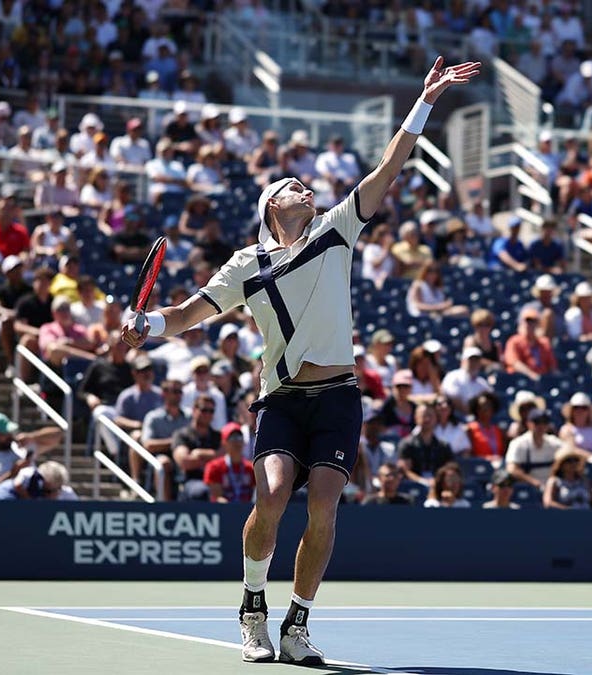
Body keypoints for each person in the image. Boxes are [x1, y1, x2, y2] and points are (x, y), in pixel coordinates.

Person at [120, 57, 481, 666]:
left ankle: (298, 624)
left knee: (324, 504)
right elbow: (185, 316)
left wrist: (424, 102)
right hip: (282, 396)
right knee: (274, 493)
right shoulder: (244, 265)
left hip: (339, 393)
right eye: (293, 188)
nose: (306, 189)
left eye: (307, 187)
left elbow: (390, 166)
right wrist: (148, 325)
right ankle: (253, 608)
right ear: (270, 207)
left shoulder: (337, 228)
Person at [171, 393, 223, 502]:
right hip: (190, 481)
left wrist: (199, 454)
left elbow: (228, 455)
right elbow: (185, 462)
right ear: (194, 410)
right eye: (204, 410)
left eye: (211, 411)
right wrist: (214, 457)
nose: (208, 414)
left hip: (216, 481)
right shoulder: (182, 435)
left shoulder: (218, 436)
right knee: (202, 491)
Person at [397, 403, 454, 486]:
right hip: (414, 486)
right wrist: (423, 481)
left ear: (436, 419)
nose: (427, 419)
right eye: (423, 415)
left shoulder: (443, 446)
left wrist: (437, 481)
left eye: (430, 416)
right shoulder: (407, 444)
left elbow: (449, 469)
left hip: (438, 486)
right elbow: (405, 470)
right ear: (416, 418)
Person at [506, 408, 564, 489]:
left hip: (552, 488)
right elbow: (512, 469)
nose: (541, 426)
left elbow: (569, 452)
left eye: (544, 422)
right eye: (537, 422)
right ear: (528, 423)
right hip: (528, 488)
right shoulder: (518, 443)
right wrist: (534, 482)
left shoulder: (554, 442)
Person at [205, 423, 255, 504]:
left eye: (239, 437)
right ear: (224, 443)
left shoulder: (251, 468)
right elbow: (216, 497)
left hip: (247, 510)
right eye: (232, 438)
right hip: (224, 511)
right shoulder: (214, 467)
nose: (237, 442)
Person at [503, 306, 557, 379]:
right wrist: (531, 375)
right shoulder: (514, 341)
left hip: (542, 380)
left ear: (537, 324)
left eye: (533, 321)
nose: (529, 324)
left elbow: (552, 366)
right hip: (521, 380)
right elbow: (514, 362)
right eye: (527, 321)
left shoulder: (544, 342)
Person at [0, 461, 77, 501]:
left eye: (58, 489)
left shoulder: (67, 494)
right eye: (47, 491)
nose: (53, 496)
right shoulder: (3, 495)